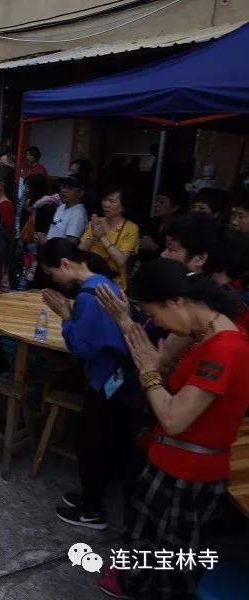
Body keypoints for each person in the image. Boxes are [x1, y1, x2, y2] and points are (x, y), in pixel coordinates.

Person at [95, 259, 249, 600]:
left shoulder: (223, 349)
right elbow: (162, 376)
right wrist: (134, 336)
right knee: (146, 548)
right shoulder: (202, 333)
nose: (155, 323)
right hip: (169, 462)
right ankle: (130, 584)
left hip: (188, 478)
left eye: (154, 313)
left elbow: (175, 417)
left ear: (177, 302)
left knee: (173, 571)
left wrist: (149, 372)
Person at [39, 238, 142, 532]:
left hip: (107, 384)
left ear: (66, 264)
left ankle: (93, 510)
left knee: (93, 445)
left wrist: (66, 316)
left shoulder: (87, 296)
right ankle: (89, 496)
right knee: (101, 443)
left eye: (52, 272)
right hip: (116, 381)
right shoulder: (102, 282)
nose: (53, 279)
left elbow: (82, 347)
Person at [79, 187, 139, 290]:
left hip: (114, 285)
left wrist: (102, 237)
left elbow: (121, 260)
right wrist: (94, 235)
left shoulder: (131, 228)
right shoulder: (95, 223)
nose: (106, 205)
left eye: (112, 201)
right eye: (104, 200)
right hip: (90, 280)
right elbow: (80, 251)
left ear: (123, 206)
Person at [38, 174, 88, 244]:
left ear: (80, 193)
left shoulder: (78, 214)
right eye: (63, 186)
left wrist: (46, 243)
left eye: (69, 188)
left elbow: (70, 245)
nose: (63, 190)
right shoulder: (61, 207)